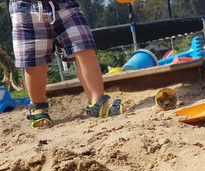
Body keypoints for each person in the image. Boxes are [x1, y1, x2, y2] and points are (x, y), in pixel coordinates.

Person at [7, 0, 129, 129]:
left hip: (66, 5)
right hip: (27, 9)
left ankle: (98, 102)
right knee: (36, 63)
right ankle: (38, 106)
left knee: (84, 48)